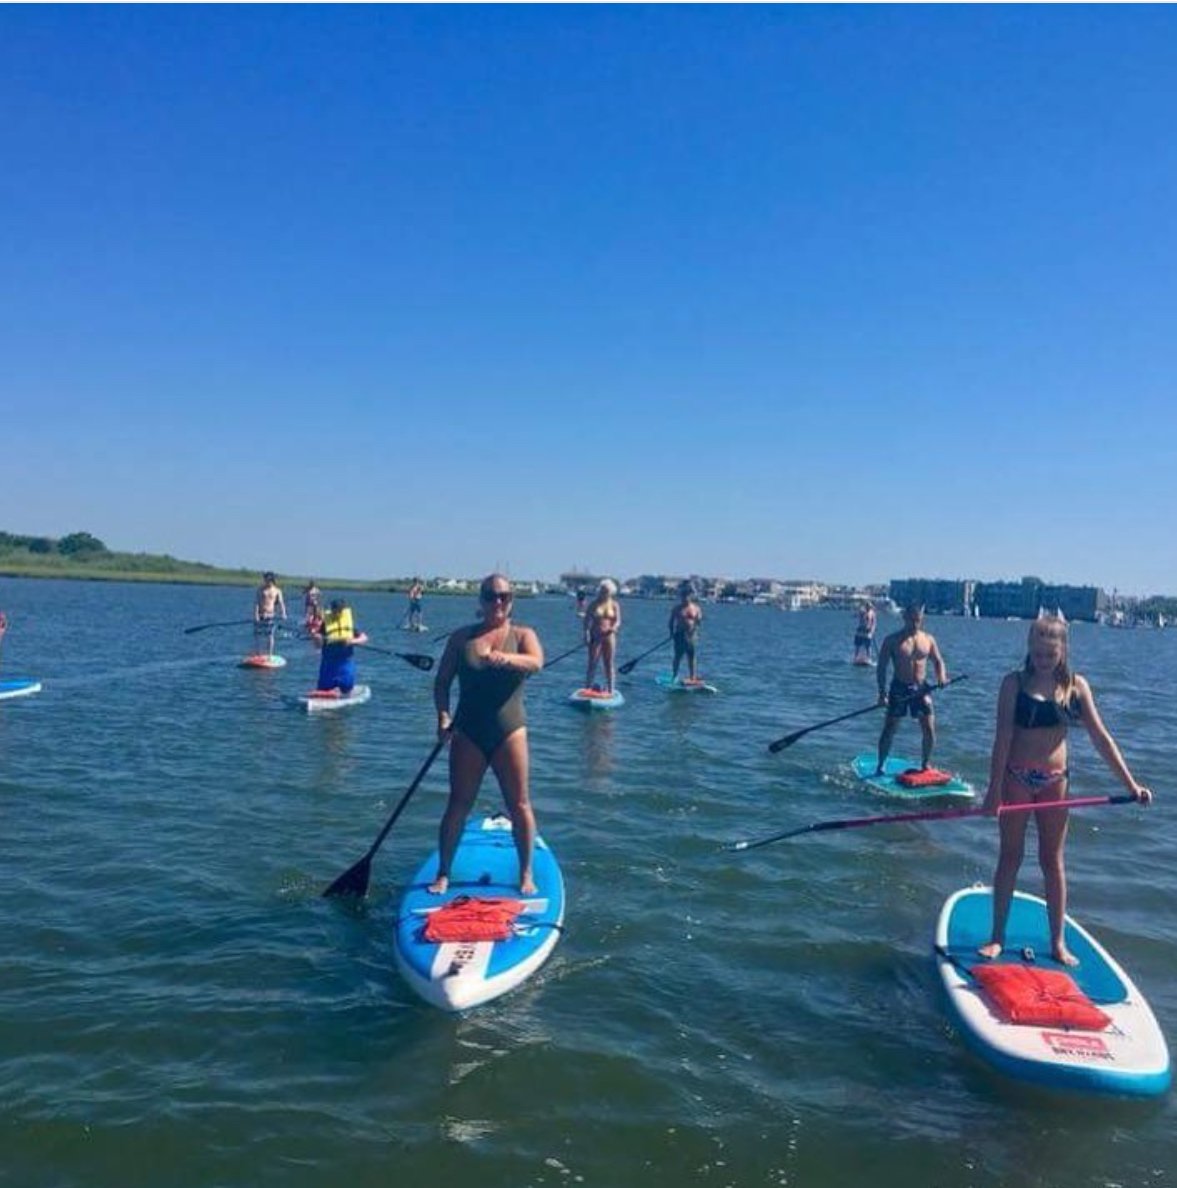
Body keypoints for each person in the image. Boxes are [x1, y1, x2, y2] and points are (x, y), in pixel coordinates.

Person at [979, 613, 1152, 965]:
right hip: (1015, 779)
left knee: (1052, 861)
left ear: (1063, 650)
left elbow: (1101, 738)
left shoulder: (1076, 687)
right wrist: (993, 790)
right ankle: (997, 937)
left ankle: (1057, 942)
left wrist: (1131, 784)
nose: (1043, 661)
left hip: (1055, 783)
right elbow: (1003, 738)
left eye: (1050, 654)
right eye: (1038, 653)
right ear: (1029, 649)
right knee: (1010, 857)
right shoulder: (1013, 684)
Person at [430, 574, 544, 895]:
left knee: (519, 804)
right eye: (491, 596)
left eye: (504, 597)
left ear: (511, 602)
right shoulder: (461, 638)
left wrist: (506, 659)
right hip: (468, 732)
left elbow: (537, 662)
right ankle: (443, 873)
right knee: (458, 803)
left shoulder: (523, 634)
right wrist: (442, 715)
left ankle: (526, 874)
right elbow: (441, 683)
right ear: (480, 601)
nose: (498, 603)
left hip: (510, 732)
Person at [875, 603, 947, 773]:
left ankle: (925, 764)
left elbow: (938, 661)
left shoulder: (928, 640)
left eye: (918, 620)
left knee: (929, 728)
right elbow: (882, 667)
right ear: (904, 617)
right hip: (899, 687)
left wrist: (941, 676)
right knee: (890, 727)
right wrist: (882, 693)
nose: (915, 623)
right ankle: (881, 764)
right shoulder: (892, 640)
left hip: (921, 688)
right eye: (912, 619)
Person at [314, 598, 367, 693]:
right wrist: (317, 638)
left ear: (342, 610)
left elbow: (364, 638)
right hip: (329, 661)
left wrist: (352, 641)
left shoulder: (349, 623)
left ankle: (344, 691)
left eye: (338, 611)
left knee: (346, 686)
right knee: (324, 687)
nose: (336, 613)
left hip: (345, 661)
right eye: (334, 611)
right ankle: (324, 693)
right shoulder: (326, 623)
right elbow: (317, 646)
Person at [584, 579, 622, 693]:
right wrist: (586, 634)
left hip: (609, 636)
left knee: (609, 663)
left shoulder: (614, 605)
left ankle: (610, 689)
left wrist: (614, 627)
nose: (603, 593)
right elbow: (587, 620)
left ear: (611, 592)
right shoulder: (593, 604)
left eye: (606, 591)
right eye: (602, 590)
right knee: (593, 663)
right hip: (596, 636)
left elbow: (618, 620)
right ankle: (588, 688)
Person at [668, 581, 703, 681]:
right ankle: (674, 676)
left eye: (687, 596)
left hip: (691, 636)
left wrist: (695, 632)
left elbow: (698, 622)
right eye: (683, 596)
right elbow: (671, 622)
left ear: (690, 596)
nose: (685, 598)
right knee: (677, 656)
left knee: (691, 657)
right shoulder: (677, 609)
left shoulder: (696, 608)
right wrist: (671, 634)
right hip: (679, 635)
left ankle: (693, 676)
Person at [254, 572, 287, 656]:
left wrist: (283, 613)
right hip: (261, 614)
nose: (266, 582)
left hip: (270, 615)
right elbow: (256, 603)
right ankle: (259, 653)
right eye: (265, 580)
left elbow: (281, 603)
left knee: (270, 635)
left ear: (272, 580)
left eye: (268, 580)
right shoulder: (260, 589)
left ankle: (270, 654)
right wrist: (256, 615)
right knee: (258, 635)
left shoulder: (277, 591)